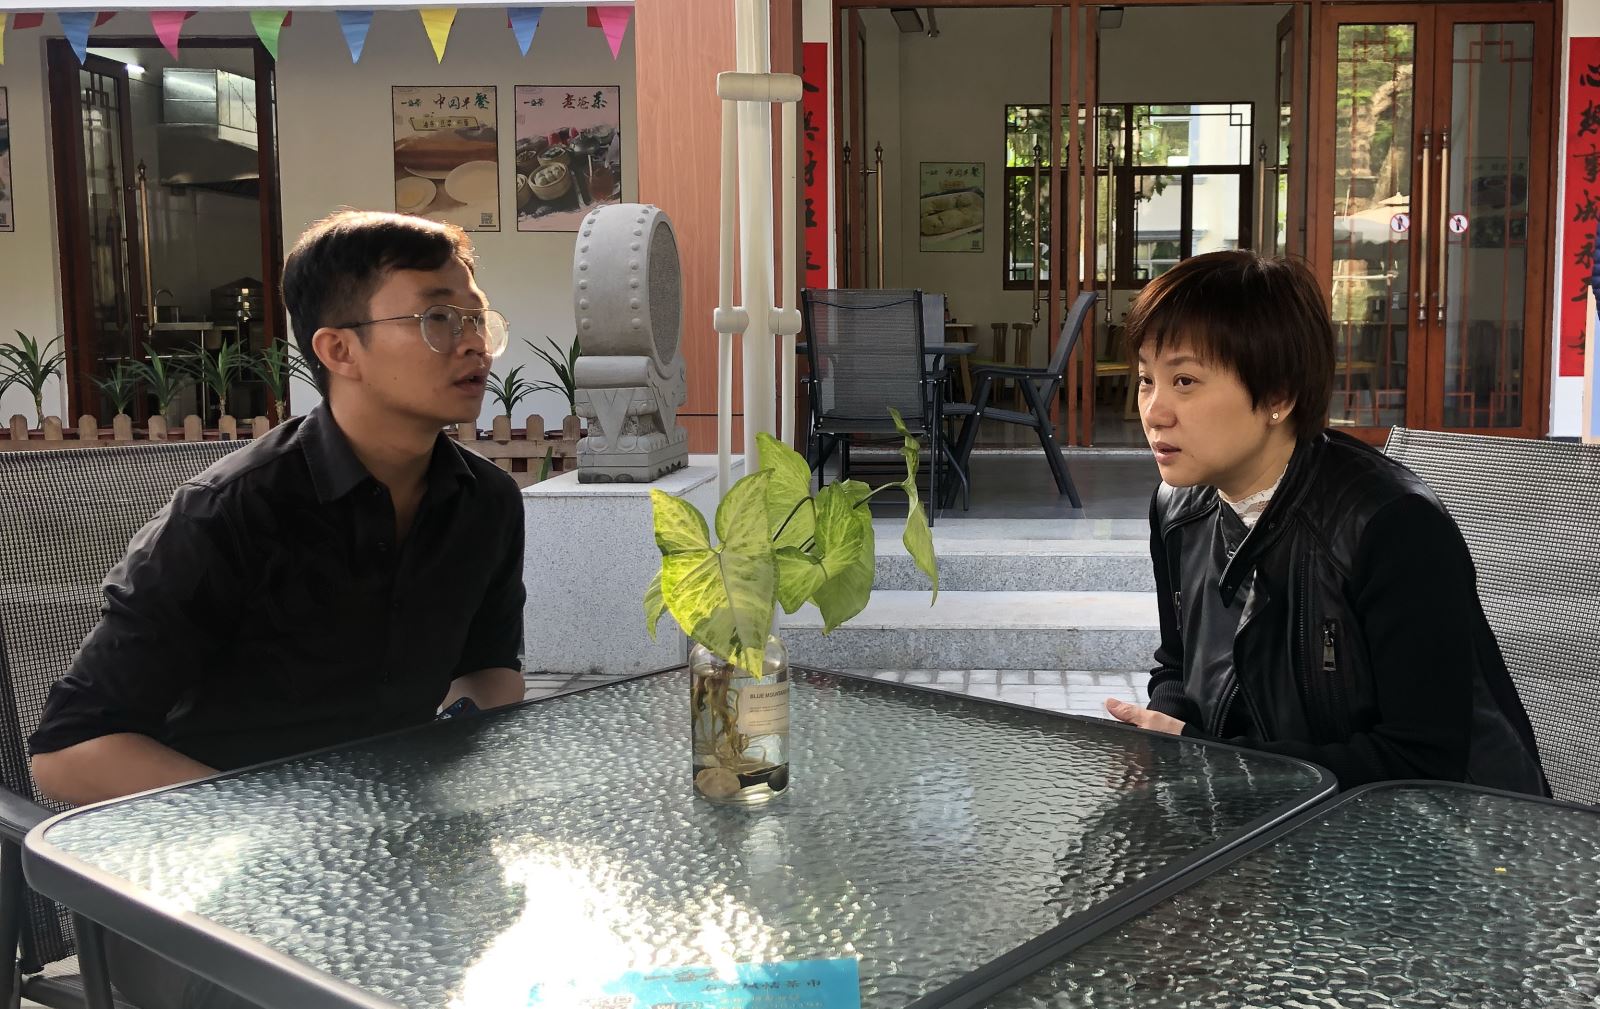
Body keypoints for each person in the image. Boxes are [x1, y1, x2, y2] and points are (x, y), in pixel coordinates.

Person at [29, 210, 528, 1007]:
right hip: (191, 890)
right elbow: (67, 752)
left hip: (383, 861)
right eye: (438, 318)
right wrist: (283, 824)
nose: (474, 344)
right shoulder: (229, 514)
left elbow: (491, 666)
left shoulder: (486, 503)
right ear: (339, 350)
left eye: (477, 318)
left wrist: (450, 740)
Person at [1102, 250, 1547, 795]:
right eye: (1146, 380)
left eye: (1185, 380)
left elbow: (1424, 759)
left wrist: (1214, 762)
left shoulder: (1390, 524)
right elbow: (1177, 665)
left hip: (1444, 828)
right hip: (1266, 806)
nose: (1154, 411)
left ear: (1278, 395)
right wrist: (1164, 739)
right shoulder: (1177, 508)